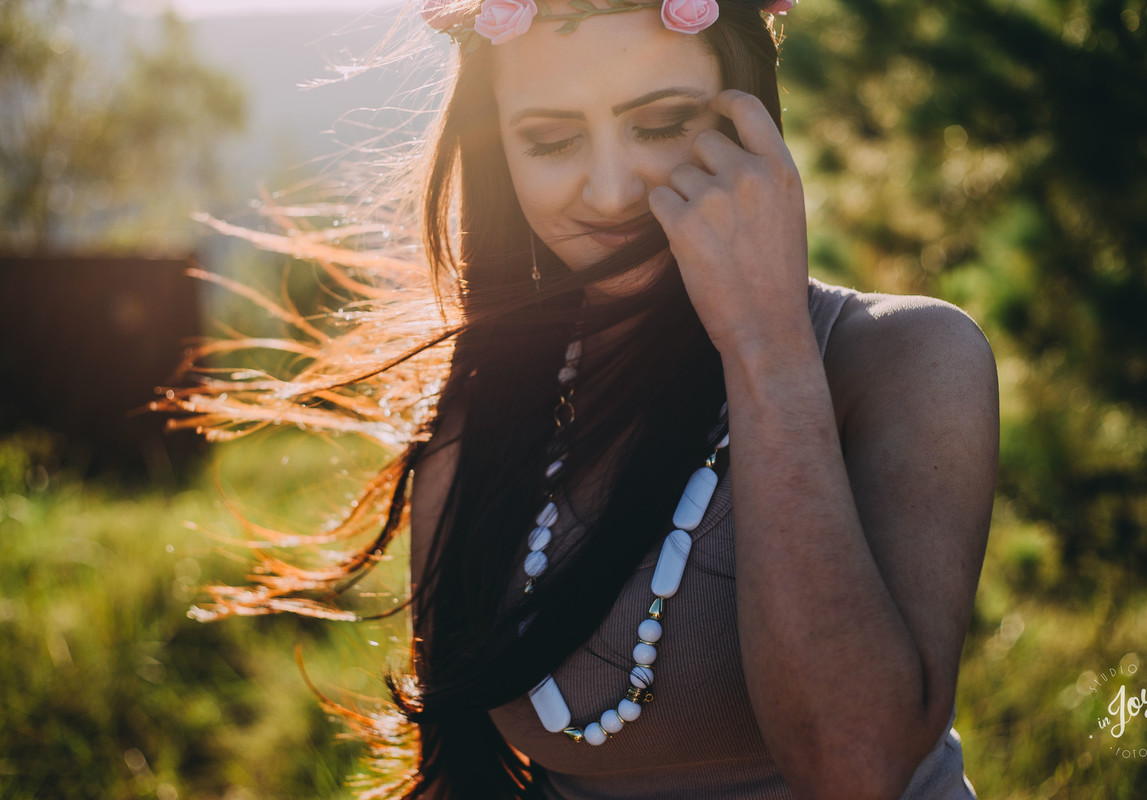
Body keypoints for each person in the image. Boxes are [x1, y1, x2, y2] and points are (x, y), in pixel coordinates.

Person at [171, 1, 998, 798]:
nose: (609, 192)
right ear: (499, 152)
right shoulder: (489, 405)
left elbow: (855, 769)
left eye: (663, 124)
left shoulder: (903, 359)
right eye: (552, 139)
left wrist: (765, 345)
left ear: (753, 117)